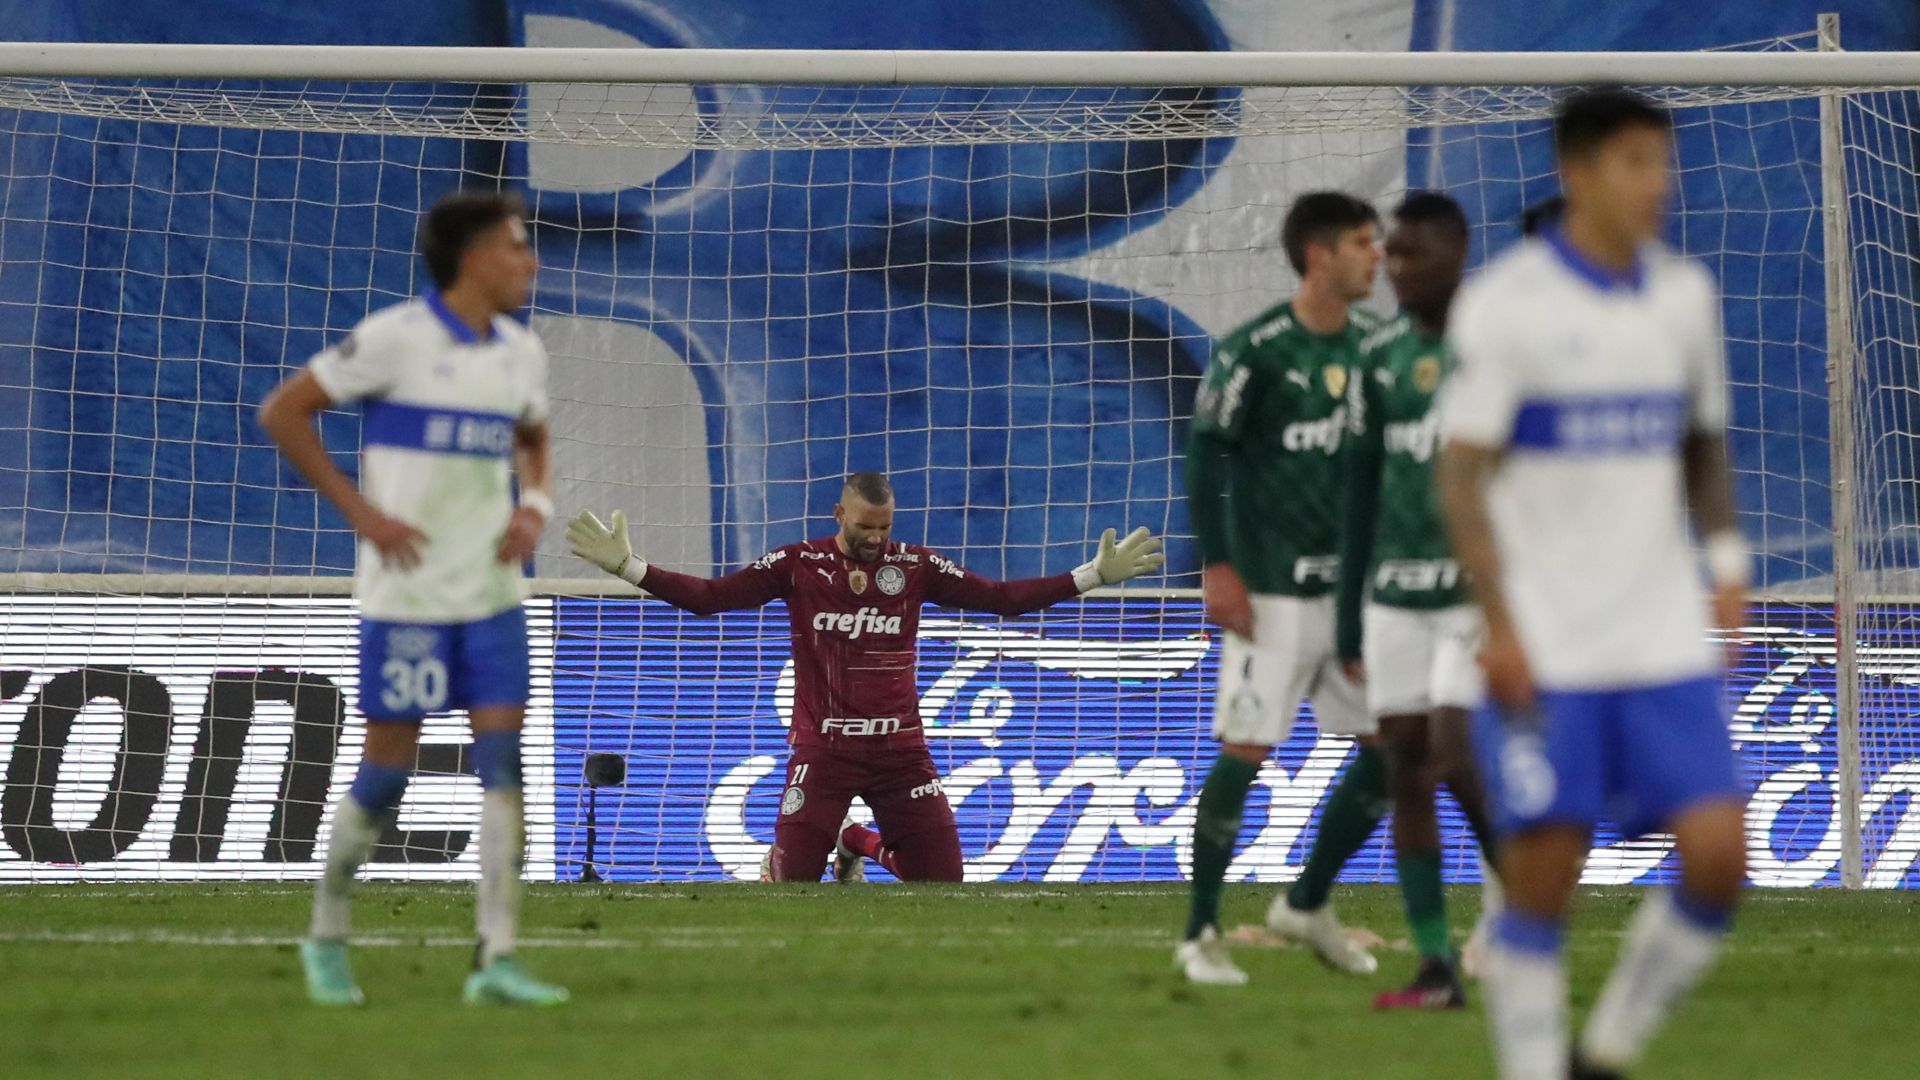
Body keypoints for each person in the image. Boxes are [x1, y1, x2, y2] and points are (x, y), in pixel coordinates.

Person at [1436, 88, 1749, 1080]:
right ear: (1575, 172)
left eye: (1663, 162)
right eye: (1635, 163)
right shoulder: (1508, 306)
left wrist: (1728, 566)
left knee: (1719, 855)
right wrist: (1500, 625)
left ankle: (1604, 1054)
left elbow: (1701, 444)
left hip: (1658, 633)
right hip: (1552, 637)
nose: (1659, 183)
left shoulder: (1683, 296)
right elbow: (1461, 477)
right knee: (1543, 875)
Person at [259, 189, 568, 1006]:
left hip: (494, 594)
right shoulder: (396, 339)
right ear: (473, 261)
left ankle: (495, 959)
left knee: (503, 767)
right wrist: (363, 515)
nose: (531, 261)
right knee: (386, 774)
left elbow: (535, 442)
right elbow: (285, 412)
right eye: (517, 247)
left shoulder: (521, 352)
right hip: (407, 598)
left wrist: (533, 508)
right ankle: (326, 939)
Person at [565, 471, 1164, 883]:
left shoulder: (916, 565)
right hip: (824, 753)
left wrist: (1088, 576)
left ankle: (859, 843)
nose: (876, 538)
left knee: (943, 884)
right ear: (838, 515)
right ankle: (808, 852)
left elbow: (1002, 599)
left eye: (884, 527)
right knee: (793, 886)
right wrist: (628, 565)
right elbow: (710, 598)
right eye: (864, 527)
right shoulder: (797, 564)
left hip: (901, 753)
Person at [1175, 191, 1389, 986]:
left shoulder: (1377, 347)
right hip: (1269, 596)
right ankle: (1199, 932)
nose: (1376, 256)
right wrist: (1219, 567)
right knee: (1246, 749)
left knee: (1394, 749)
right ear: (1319, 255)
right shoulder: (1256, 350)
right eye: (1363, 243)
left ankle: (1305, 902)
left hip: (1355, 599)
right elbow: (1206, 459)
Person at [1337, 190, 1500, 1010]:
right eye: (1390, 255)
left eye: (1413, 255)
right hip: (1394, 593)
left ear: (1457, 253)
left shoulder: (1499, 350)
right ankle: (1437, 966)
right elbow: (1361, 485)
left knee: (1456, 753)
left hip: (1476, 591)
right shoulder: (1379, 356)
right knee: (1405, 760)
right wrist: (1345, 613)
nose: (1396, 269)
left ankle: (1525, 909)